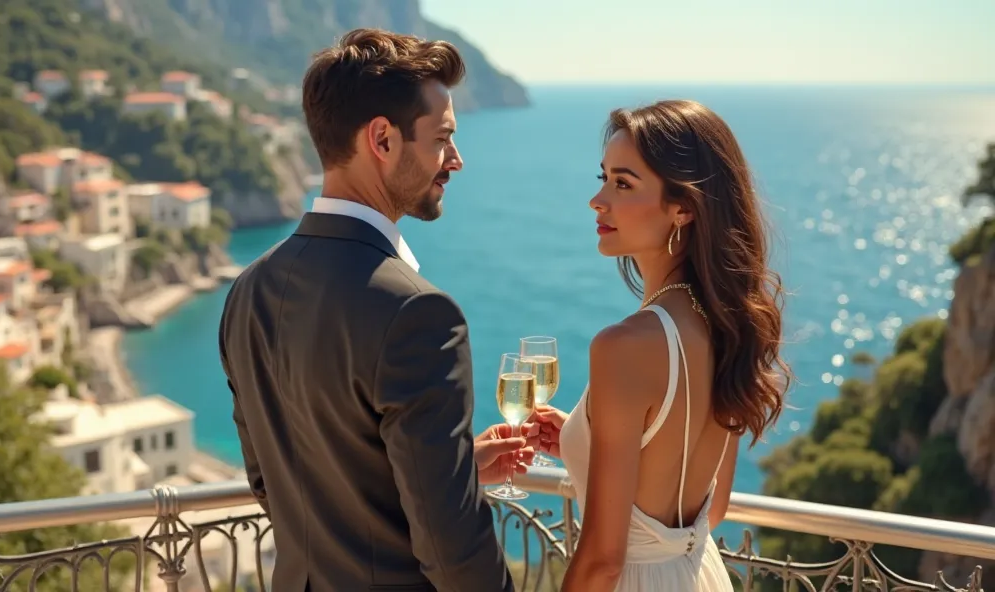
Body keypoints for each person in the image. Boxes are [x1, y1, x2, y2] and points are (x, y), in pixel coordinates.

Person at [218, 28, 533, 592]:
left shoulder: (247, 290)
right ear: (382, 139)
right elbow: (453, 549)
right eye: (442, 139)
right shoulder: (418, 312)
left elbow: (275, 484)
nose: (455, 160)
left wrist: (454, 474)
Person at [532, 100, 792, 591]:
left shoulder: (624, 346)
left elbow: (604, 561)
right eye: (603, 177)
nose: (598, 199)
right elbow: (708, 509)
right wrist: (585, 439)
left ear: (684, 207)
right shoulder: (728, 325)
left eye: (623, 183)